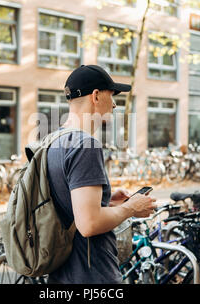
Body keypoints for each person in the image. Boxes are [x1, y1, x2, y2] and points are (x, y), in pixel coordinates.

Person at [45, 65, 156, 284]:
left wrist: (108, 202)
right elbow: (89, 224)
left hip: (61, 275)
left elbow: (69, 208)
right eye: (111, 95)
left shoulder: (53, 141)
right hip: (92, 276)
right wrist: (131, 208)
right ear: (96, 96)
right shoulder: (86, 145)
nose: (115, 104)